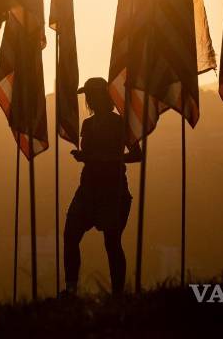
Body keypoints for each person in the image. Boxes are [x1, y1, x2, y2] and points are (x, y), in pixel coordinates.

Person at [63, 76, 142, 297]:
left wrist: (107, 159)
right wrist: (87, 157)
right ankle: (70, 290)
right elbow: (90, 154)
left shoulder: (120, 123)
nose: (88, 100)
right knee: (70, 235)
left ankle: (118, 293)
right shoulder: (88, 124)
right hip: (88, 189)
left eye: (90, 95)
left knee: (112, 242)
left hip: (113, 190)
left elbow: (137, 155)